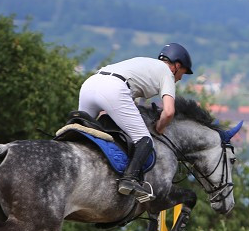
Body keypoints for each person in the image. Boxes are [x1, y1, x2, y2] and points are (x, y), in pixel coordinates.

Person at [77, 42, 193, 202]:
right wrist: (159, 127)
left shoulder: (143, 64)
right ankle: (129, 179)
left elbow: (112, 111)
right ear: (176, 66)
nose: (179, 78)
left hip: (90, 84)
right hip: (114, 88)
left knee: (81, 131)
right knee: (144, 140)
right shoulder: (166, 72)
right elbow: (169, 112)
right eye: (182, 73)